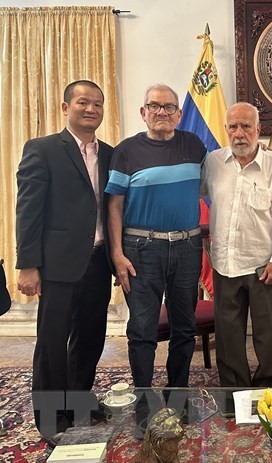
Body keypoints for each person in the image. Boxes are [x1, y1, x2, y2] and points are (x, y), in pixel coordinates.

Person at [15, 80, 113, 445]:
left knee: (90, 337)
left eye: (97, 104)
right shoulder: (42, 150)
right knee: (53, 341)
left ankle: (77, 401)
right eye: (83, 102)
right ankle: (50, 416)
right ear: (65, 107)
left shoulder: (111, 153)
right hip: (56, 264)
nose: (91, 109)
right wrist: (28, 264)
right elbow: (27, 210)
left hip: (99, 261)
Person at [105, 84, 206, 433]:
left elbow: (218, 180)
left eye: (168, 107)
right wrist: (117, 254)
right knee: (142, 330)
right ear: (143, 112)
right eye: (154, 106)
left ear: (179, 113)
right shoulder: (126, 151)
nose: (161, 112)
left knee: (184, 328)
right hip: (140, 250)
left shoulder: (193, 145)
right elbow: (114, 206)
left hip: (187, 248)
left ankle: (177, 395)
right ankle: (145, 402)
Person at [204, 102, 272, 403]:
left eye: (246, 126)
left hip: (264, 267)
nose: (239, 133)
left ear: (259, 130)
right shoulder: (213, 162)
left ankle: (268, 393)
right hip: (225, 264)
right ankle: (235, 395)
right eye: (233, 126)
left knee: (267, 336)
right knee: (229, 337)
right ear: (226, 130)